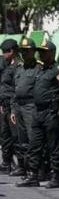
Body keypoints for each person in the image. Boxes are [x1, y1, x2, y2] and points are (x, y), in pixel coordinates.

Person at [16, 40, 59, 188]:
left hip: (51, 112)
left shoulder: (58, 70)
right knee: (34, 145)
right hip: (38, 111)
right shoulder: (41, 69)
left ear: (52, 53)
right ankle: (33, 175)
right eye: (40, 52)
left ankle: (55, 176)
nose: (41, 54)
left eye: (44, 52)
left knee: (53, 145)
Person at [10, 38, 41, 178]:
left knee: (33, 139)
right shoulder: (19, 69)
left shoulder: (39, 68)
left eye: (27, 51)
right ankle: (24, 168)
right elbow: (13, 90)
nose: (24, 53)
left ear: (33, 52)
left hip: (31, 106)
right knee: (22, 140)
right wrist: (12, 109)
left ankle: (36, 170)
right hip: (18, 107)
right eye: (22, 51)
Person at [0, 39, 19, 173]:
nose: (3, 54)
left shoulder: (19, 66)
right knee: (4, 135)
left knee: (16, 135)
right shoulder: (4, 65)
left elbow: (16, 88)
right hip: (3, 105)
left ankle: (21, 164)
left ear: (12, 51)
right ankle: (7, 162)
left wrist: (13, 108)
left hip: (14, 105)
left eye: (5, 52)